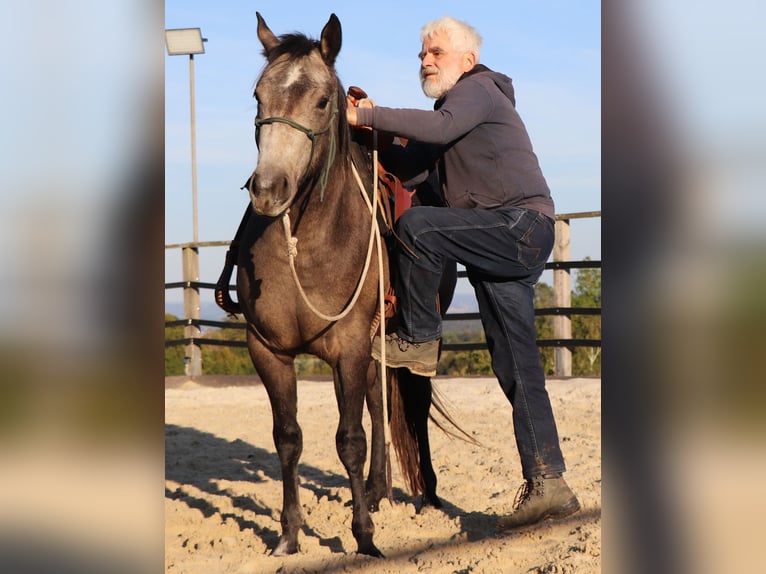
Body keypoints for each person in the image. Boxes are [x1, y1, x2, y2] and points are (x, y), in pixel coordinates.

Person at [346, 16, 580, 529]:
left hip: (517, 226)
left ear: (466, 60)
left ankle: (421, 339)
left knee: (421, 225)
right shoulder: (450, 117)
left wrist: (370, 113)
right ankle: (550, 484)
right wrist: (361, 133)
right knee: (515, 367)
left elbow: (439, 129)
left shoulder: (478, 91)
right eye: (421, 56)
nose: (425, 62)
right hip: (503, 241)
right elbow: (412, 167)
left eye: (435, 53)